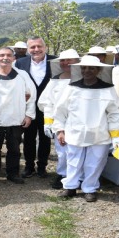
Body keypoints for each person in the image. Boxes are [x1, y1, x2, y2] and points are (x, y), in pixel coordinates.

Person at [53, 55, 119, 202]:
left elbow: (114, 114)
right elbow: (60, 110)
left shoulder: (108, 89)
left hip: (100, 132)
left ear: (98, 70)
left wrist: (115, 136)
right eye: (84, 68)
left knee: (96, 162)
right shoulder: (71, 87)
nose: (87, 71)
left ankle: (89, 189)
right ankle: (70, 187)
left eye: (91, 68)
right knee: (72, 160)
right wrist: (60, 130)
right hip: (74, 130)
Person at [0, 47, 36, 186]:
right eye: (2, 55)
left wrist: (29, 115)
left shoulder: (22, 75)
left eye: (8, 55)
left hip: (16, 118)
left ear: (14, 58)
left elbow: (32, 96)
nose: (5, 58)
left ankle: (13, 173)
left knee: (15, 149)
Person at [37, 49, 80, 189]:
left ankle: (79, 177)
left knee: (79, 151)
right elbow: (46, 102)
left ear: (77, 62)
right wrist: (48, 122)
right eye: (62, 60)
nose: (65, 63)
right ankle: (62, 175)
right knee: (62, 151)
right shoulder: (54, 81)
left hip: (80, 121)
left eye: (69, 60)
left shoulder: (85, 78)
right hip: (59, 122)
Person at [15, 37, 56, 178]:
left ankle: (42, 166)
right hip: (28, 108)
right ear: (28, 49)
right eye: (32, 47)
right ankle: (29, 166)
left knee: (45, 138)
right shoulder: (20, 63)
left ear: (45, 47)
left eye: (39, 46)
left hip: (48, 108)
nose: (36, 49)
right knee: (28, 138)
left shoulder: (55, 61)